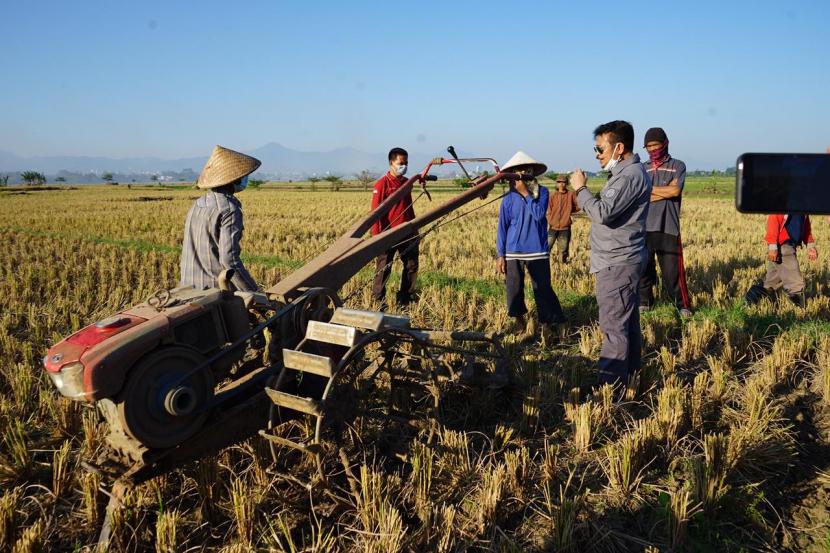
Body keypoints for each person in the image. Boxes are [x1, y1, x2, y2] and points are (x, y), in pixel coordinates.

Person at [569, 121, 651, 390]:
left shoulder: (629, 176)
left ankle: (609, 392)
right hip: (622, 260)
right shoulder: (626, 174)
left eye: (599, 148)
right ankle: (630, 381)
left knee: (614, 328)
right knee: (627, 327)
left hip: (617, 263)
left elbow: (602, 213)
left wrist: (581, 189)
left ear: (619, 147)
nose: (596, 154)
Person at [496, 151, 566, 332]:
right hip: (513, 251)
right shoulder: (508, 198)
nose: (521, 174)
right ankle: (519, 322)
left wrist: (526, 193)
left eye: (525, 170)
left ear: (532, 172)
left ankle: (549, 323)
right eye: (517, 171)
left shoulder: (542, 192)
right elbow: (502, 227)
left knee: (542, 288)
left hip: (537, 250)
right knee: (514, 289)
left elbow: (538, 214)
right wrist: (500, 254)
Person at [180, 145, 261, 292]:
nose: (245, 179)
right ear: (234, 179)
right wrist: (253, 291)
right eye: (243, 176)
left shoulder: (198, 204)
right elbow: (229, 259)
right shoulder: (229, 209)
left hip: (187, 286)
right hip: (214, 290)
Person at [638, 128, 692, 316]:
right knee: (643, 268)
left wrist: (650, 190)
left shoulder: (678, 165)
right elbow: (639, 196)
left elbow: (675, 191)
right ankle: (644, 301)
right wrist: (664, 190)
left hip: (668, 226)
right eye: (649, 146)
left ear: (665, 143)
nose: (653, 149)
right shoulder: (641, 168)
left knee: (673, 272)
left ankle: (683, 305)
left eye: (656, 145)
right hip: (643, 227)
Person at [370, 147, 419, 308]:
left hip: (406, 231)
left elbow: (408, 207)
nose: (404, 166)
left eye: (406, 163)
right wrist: (377, 237)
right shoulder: (382, 184)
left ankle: (405, 299)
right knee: (384, 268)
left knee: (411, 265)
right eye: (400, 163)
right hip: (388, 233)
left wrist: (414, 228)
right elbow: (375, 213)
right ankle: (378, 301)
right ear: (391, 163)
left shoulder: (406, 183)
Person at [744, 213, 817, 307]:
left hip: (790, 245)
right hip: (783, 246)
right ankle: (800, 314)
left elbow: (805, 227)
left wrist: (810, 245)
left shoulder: (802, 206)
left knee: (772, 282)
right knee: (795, 283)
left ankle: (750, 300)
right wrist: (773, 246)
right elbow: (773, 222)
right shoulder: (783, 203)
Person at [547, 174, 580, 264]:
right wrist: (550, 220)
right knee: (546, 248)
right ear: (556, 184)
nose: (561, 184)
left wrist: (569, 210)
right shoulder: (552, 195)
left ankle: (562, 266)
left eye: (564, 182)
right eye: (559, 182)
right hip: (553, 227)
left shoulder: (571, 195)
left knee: (563, 250)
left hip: (565, 228)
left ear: (566, 184)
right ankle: (545, 266)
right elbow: (549, 209)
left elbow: (578, 205)